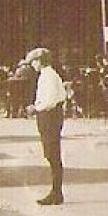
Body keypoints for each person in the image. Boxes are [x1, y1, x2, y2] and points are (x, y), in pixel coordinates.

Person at [25, 47, 69, 205]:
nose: (32, 65)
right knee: (51, 154)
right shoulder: (48, 75)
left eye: (33, 62)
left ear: (40, 61)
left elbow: (50, 100)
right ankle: (56, 191)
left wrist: (35, 108)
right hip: (50, 116)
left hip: (49, 116)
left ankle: (56, 193)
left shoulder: (48, 76)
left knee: (52, 155)